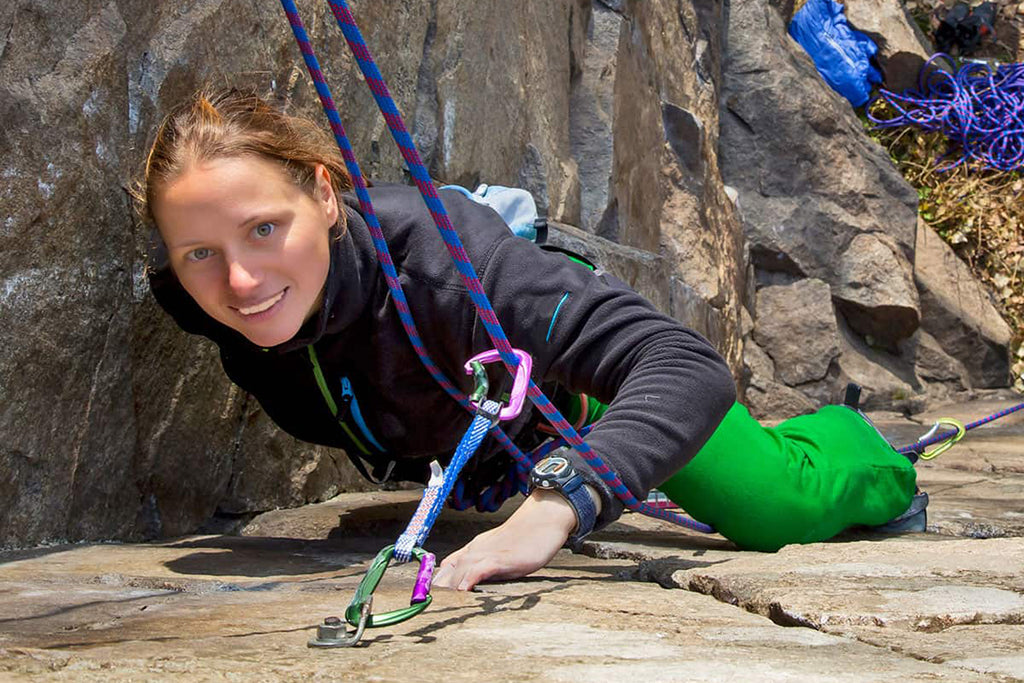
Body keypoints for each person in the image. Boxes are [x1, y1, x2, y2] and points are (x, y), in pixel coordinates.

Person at [137, 89, 918, 590]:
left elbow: (684, 365)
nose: (239, 281)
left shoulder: (452, 273)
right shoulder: (195, 295)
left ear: (325, 192)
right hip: (485, 442)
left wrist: (559, 503)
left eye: (264, 229)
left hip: (583, 393)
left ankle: (858, 443)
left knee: (773, 503)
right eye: (200, 252)